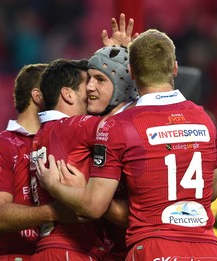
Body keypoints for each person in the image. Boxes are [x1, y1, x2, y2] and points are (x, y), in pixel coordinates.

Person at [37, 29, 217, 260]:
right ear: (174, 68)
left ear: (132, 72)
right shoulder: (205, 119)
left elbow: (93, 206)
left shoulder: (117, 126)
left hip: (155, 247)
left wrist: (57, 186)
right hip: (207, 249)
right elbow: (212, 190)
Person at [30, 15, 138, 261]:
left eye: (98, 80)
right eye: (87, 82)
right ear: (67, 94)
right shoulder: (73, 127)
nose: (91, 89)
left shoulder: (44, 133)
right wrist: (124, 67)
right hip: (72, 249)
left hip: (55, 247)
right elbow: (122, 123)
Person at [0, 63, 79, 261]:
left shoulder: (63, 140)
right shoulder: (0, 147)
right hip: (18, 256)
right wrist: (55, 212)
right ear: (38, 96)